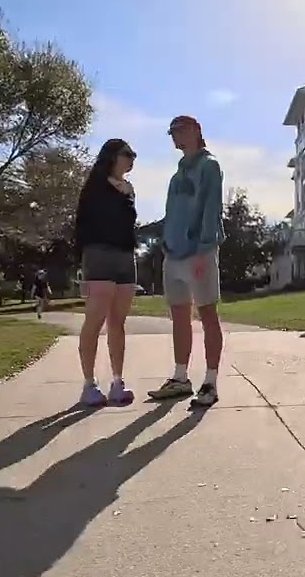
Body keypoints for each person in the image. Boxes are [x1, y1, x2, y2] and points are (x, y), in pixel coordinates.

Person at [148, 115, 224, 408]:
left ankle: (210, 382)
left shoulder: (209, 166)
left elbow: (211, 208)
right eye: (172, 133)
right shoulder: (176, 176)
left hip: (199, 253)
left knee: (207, 314)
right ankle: (180, 379)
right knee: (179, 317)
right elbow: (171, 214)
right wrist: (163, 241)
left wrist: (205, 249)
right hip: (174, 254)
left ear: (196, 131)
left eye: (180, 130)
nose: (176, 137)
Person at [72, 138, 140, 407]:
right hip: (98, 255)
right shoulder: (95, 187)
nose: (132, 158)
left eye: (134, 155)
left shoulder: (129, 189)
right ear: (112, 156)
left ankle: (117, 382)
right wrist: (81, 263)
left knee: (118, 322)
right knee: (95, 319)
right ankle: (89, 384)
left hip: (125, 256)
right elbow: (82, 225)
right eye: (127, 154)